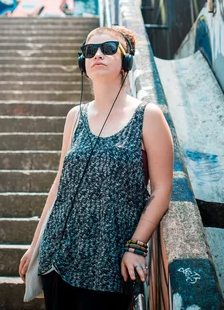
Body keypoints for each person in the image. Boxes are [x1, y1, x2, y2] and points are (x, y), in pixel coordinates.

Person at [18, 26, 173, 309]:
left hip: (110, 262)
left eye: (109, 48)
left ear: (127, 61)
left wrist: (136, 246)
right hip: (58, 257)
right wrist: (36, 244)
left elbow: (162, 190)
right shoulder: (74, 116)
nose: (98, 54)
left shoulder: (148, 116)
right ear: (83, 62)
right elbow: (59, 184)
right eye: (90, 51)